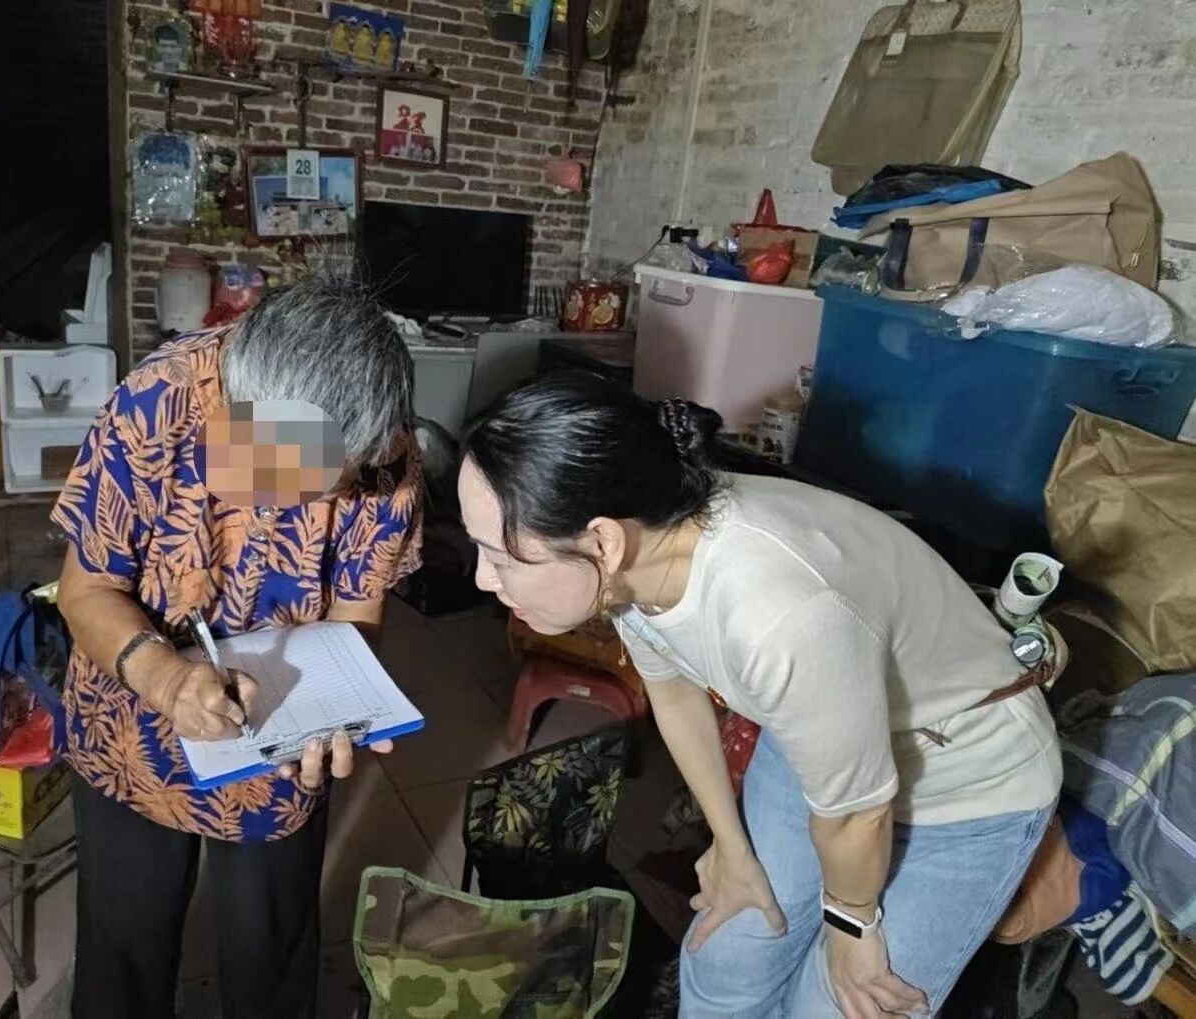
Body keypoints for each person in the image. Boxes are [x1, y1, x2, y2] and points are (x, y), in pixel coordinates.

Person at [457, 374, 1061, 1019]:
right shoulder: (640, 552)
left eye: (503, 557)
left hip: (964, 786)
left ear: (603, 541)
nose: (483, 578)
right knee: (726, 954)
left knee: (844, 1004)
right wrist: (730, 846)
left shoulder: (776, 614)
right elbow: (674, 691)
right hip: (821, 751)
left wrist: (851, 924)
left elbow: (857, 816)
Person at [52, 278, 423, 1019]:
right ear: (230, 398)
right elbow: (84, 590)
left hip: (277, 728)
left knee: (269, 948)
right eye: (257, 464)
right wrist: (166, 680)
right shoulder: (155, 403)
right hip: (130, 713)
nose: (270, 503)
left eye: (311, 487)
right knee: (124, 943)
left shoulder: (384, 463)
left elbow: (355, 617)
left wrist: (331, 708)